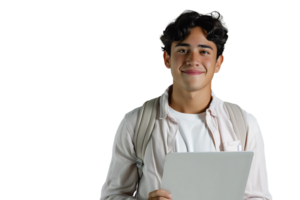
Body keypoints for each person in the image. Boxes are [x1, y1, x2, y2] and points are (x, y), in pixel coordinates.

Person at [99, 9, 274, 200]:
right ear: (166, 59)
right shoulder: (134, 123)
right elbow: (111, 196)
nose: (193, 60)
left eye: (204, 51)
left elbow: (260, 197)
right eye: (183, 50)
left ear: (219, 63)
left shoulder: (245, 123)